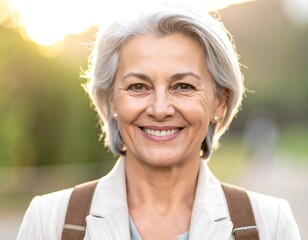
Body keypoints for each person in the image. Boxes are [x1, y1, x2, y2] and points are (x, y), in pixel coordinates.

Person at [17, 4, 301, 240]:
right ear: (111, 101)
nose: (160, 108)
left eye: (184, 86)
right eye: (139, 87)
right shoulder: (49, 222)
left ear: (220, 103)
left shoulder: (270, 225)